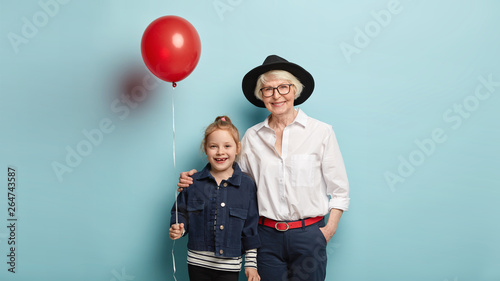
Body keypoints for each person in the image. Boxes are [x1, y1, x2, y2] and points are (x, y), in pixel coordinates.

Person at [178, 55, 350, 281]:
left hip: (309, 235)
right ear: (261, 96)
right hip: (265, 238)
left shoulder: (321, 132)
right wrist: (196, 179)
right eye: (268, 89)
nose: (276, 95)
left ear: (295, 90)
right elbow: (233, 181)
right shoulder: (252, 137)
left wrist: (328, 231)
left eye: (283, 87)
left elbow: (340, 191)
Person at [169, 116, 261, 281]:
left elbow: (251, 226)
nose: (220, 152)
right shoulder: (193, 182)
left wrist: (251, 264)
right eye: (213, 146)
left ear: (237, 148)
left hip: (230, 265)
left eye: (227, 146)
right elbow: (180, 211)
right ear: (205, 148)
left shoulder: (247, 185)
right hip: (197, 263)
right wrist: (179, 228)